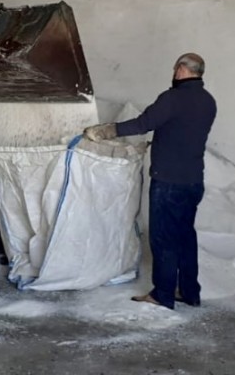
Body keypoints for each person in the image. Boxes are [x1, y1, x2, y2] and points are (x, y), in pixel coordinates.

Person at [83, 53, 216, 309]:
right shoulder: (208, 101)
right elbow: (183, 132)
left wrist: (107, 130)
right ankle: (189, 292)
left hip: (168, 182)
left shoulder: (173, 98)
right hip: (193, 181)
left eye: (175, 69)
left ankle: (163, 294)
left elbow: (144, 123)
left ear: (180, 70)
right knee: (185, 237)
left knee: (164, 238)